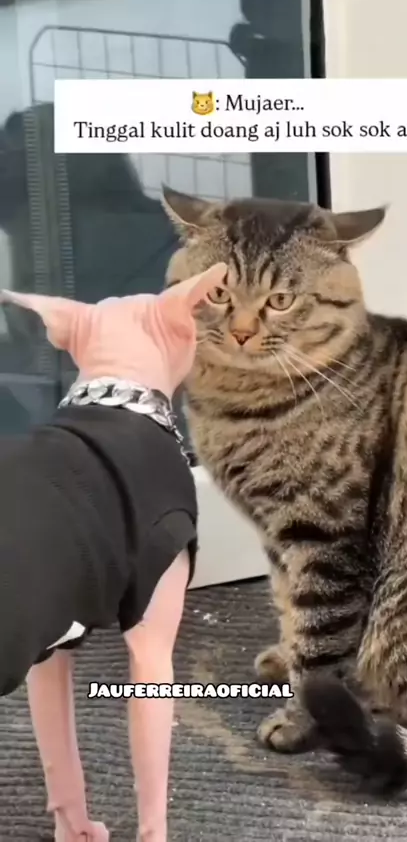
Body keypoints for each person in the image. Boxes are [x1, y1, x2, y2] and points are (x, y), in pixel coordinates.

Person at [0, 261, 226, 842]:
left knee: (45, 647)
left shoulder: (42, 456)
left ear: (69, 336)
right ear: (182, 328)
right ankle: (152, 832)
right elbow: (150, 669)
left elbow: (45, 644)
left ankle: (69, 818)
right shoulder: (157, 483)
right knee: (151, 657)